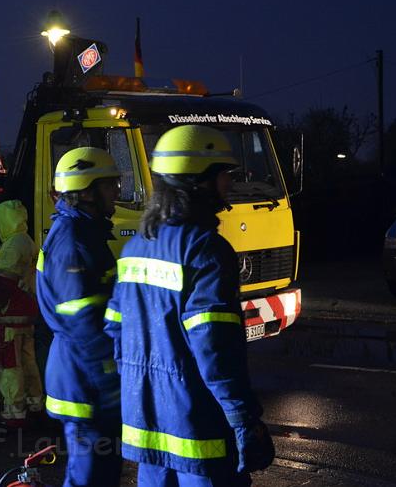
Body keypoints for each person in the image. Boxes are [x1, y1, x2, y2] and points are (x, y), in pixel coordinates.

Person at [104, 125, 275, 486]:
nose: (229, 182)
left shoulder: (135, 246)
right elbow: (215, 349)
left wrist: (139, 385)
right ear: (200, 180)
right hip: (198, 433)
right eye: (224, 173)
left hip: (145, 427)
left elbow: (115, 330)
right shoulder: (207, 251)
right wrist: (244, 419)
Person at [36, 147, 123, 487]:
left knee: (101, 473)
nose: (117, 190)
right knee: (90, 477)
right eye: (110, 184)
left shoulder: (86, 233)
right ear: (86, 190)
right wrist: (107, 381)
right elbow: (80, 321)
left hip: (86, 374)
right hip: (83, 378)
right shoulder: (72, 242)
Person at [0, 199, 44, 428]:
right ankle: (35, 404)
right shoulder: (27, 241)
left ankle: (14, 412)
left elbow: (4, 282)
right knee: (28, 362)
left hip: (8, 316)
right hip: (26, 314)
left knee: (10, 365)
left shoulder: (11, 246)